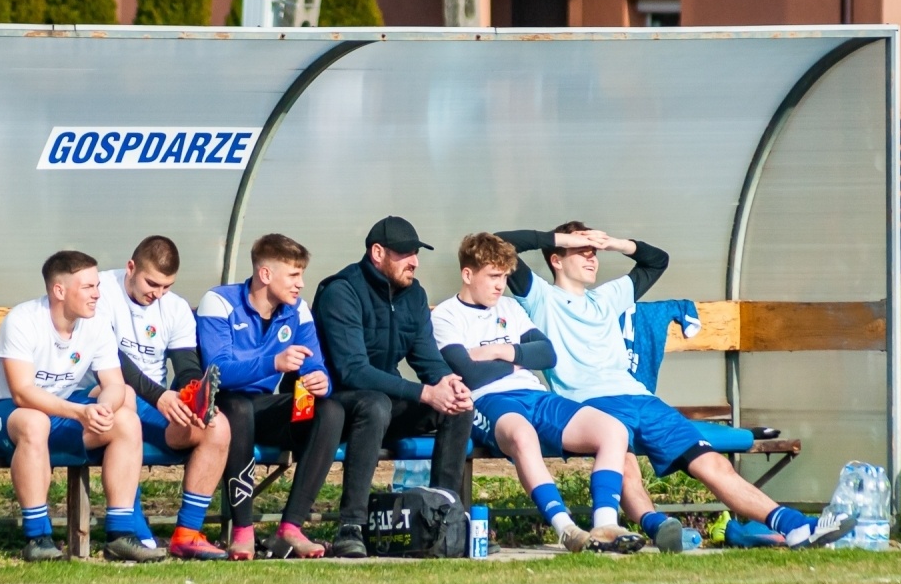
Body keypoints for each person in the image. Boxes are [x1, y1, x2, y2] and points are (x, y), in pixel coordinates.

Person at [496, 223, 854, 549]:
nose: (592, 257)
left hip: (642, 400)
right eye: (582, 251)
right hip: (590, 406)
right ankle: (651, 527)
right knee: (626, 466)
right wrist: (562, 238)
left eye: (594, 252)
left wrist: (617, 244)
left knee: (712, 464)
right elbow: (501, 243)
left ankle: (795, 527)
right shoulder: (540, 296)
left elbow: (657, 261)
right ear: (556, 260)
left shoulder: (608, 296)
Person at [432, 233, 673, 553]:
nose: (500, 285)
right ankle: (566, 528)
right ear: (467, 274)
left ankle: (605, 524)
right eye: (493, 276)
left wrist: (498, 352)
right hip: (488, 400)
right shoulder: (446, 315)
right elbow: (470, 374)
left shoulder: (509, 307)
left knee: (614, 431)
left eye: (504, 277)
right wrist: (520, 359)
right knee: (522, 435)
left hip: (535, 394)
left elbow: (547, 355)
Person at [0, 250, 164, 563]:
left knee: (126, 420)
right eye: (88, 287)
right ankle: (38, 538)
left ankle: (120, 535)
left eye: (97, 285)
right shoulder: (22, 320)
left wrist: (103, 408)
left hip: (57, 411)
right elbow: (22, 393)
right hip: (0, 411)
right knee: (35, 422)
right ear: (59, 291)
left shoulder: (97, 324)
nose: (97, 294)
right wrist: (80, 412)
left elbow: (115, 385)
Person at [311, 217, 473, 559]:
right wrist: (424, 393)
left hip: (385, 402)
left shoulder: (414, 295)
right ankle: (351, 526)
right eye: (405, 253)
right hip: (337, 404)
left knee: (456, 408)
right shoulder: (342, 291)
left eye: (416, 253)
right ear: (377, 253)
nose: (414, 261)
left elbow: (427, 359)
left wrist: (449, 383)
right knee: (375, 404)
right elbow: (352, 370)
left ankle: (444, 520)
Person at [196, 234, 346, 560]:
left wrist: (321, 382)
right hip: (223, 408)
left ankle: (290, 528)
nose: (301, 284)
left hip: (263, 409)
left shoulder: (297, 310)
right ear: (265, 274)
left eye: (301, 275)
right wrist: (273, 362)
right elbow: (217, 371)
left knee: (330, 410)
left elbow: (314, 364)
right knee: (238, 408)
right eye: (293, 275)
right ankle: (243, 531)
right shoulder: (219, 302)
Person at [102, 236, 230, 561]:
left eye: (167, 286)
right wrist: (160, 396)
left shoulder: (175, 307)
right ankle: (129, 525)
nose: (158, 294)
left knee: (217, 426)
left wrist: (193, 397)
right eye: (152, 283)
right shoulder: (100, 292)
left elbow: (186, 366)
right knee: (123, 396)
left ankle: (187, 534)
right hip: (102, 400)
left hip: (151, 404)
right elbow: (109, 361)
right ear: (131, 267)